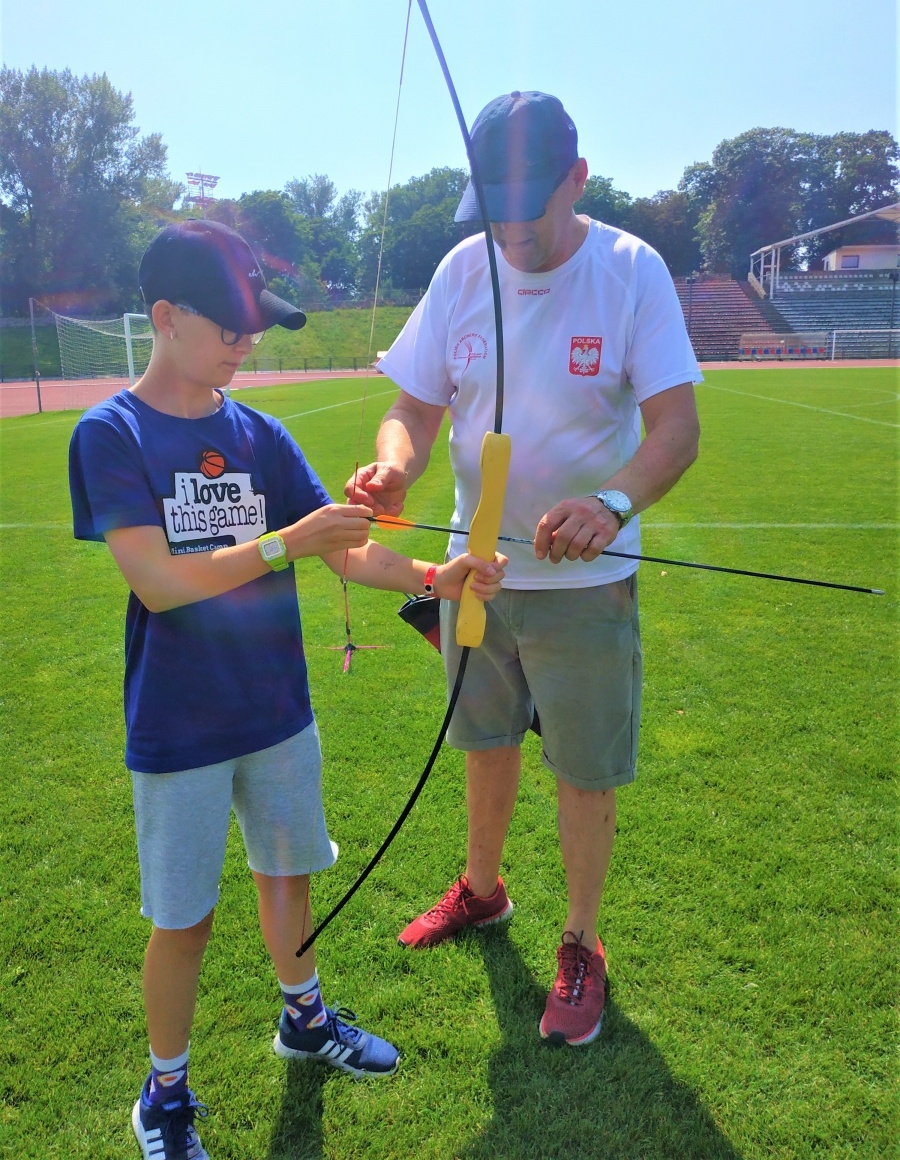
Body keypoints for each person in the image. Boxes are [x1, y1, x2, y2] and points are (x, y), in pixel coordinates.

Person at [68, 220, 505, 1160]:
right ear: (165, 318)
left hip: (275, 715)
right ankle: (166, 1093)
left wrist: (437, 576)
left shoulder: (257, 433)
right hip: (177, 725)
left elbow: (346, 542)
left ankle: (303, 1019)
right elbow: (158, 581)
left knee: (287, 876)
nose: (245, 340)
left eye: (254, 325)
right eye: (228, 324)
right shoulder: (111, 434)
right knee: (182, 920)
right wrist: (280, 544)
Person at [346, 91, 702, 1048]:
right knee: (485, 741)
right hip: (473, 576)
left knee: (584, 770)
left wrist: (610, 504)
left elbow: (676, 428)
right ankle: (481, 888)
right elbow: (414, 408)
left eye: (529, 211)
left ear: (577, 180)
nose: (511, 234)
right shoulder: (463, 269)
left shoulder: (633, 270)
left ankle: (581, 943)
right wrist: (396, 463)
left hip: (583, 587)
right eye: (494, 212)